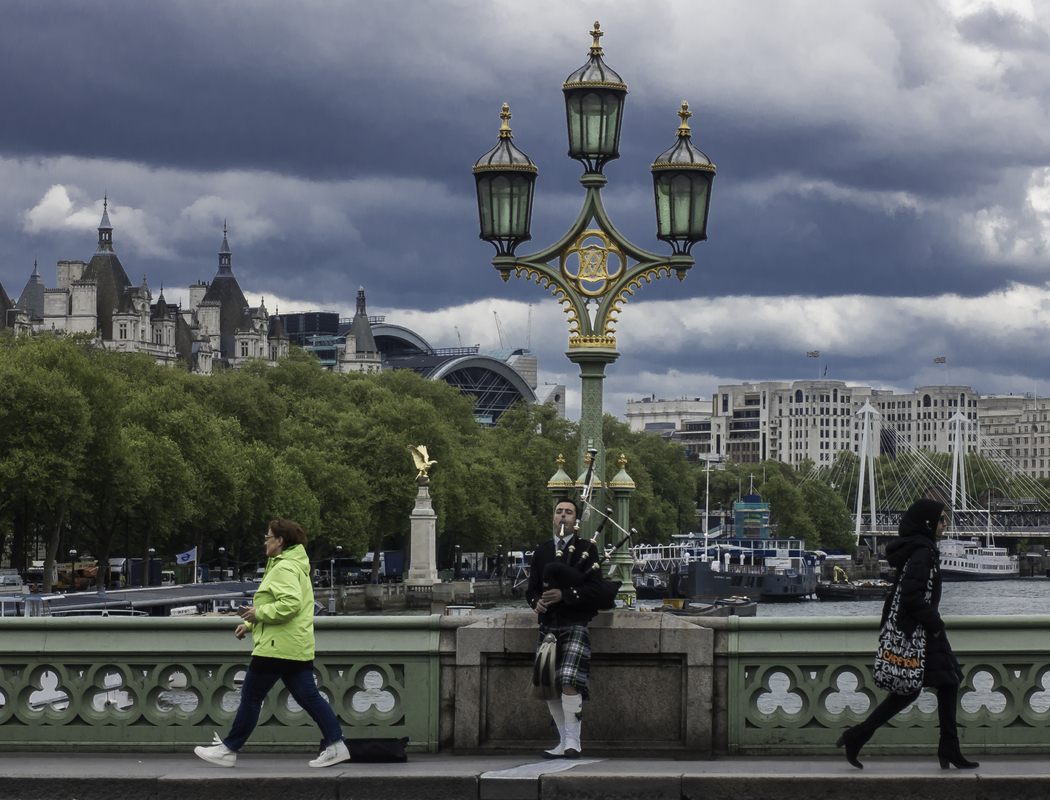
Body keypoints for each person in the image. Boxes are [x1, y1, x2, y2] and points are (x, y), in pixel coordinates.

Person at [194, 519, 350, 769]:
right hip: (295, 644)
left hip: (276, 646)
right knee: (310, 698)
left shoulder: (283, 567)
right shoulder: (296, 564)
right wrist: (252, 624)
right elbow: (287, 608)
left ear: (279, 540)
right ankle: (336, 745)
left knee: (251, 696)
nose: (265, 542)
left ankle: (229, 749)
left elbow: (289, 605)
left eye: (268, 537)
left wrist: (258, 615)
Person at [836, 498, 979, 770]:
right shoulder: (923, 551)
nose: (945, 524)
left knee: (940, 684)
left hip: (919, 630)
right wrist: (936, 624)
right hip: (921, 632)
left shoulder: (919, 548)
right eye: (941, 520)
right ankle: (861, 736)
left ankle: (861, 736)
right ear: (927, 523)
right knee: (930, 685)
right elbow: (912, 597)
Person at [526, 499, 605, 759]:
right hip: (548, 626)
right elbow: (532, 588)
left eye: (568, 512)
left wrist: (565, 595)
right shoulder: (542, 550)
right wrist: (535, 602)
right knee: (548, 685)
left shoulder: (586, 549)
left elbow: (595, 590)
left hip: (573, 623)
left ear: (576, 522)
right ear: (553, 518)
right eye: (559, 512)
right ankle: (562, 742)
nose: (563, 516)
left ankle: (574, 741)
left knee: (569, 681)